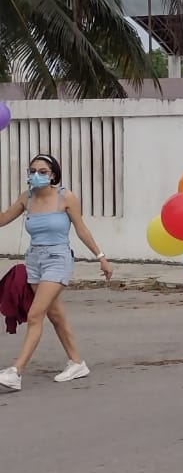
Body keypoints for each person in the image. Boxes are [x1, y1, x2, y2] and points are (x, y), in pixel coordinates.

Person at [0, 155, 112, 392]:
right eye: (32, 170)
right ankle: (77, 362)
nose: (36, 175)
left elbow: (81, 229)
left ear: (52, 174)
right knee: (55, 315)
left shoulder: (65, 197)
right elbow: (2, 220)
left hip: (57, 259)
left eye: (42, 171)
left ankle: (16, 371)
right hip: (34, 260)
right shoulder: (27, 198)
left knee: (35, 315)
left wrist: (101, 257)